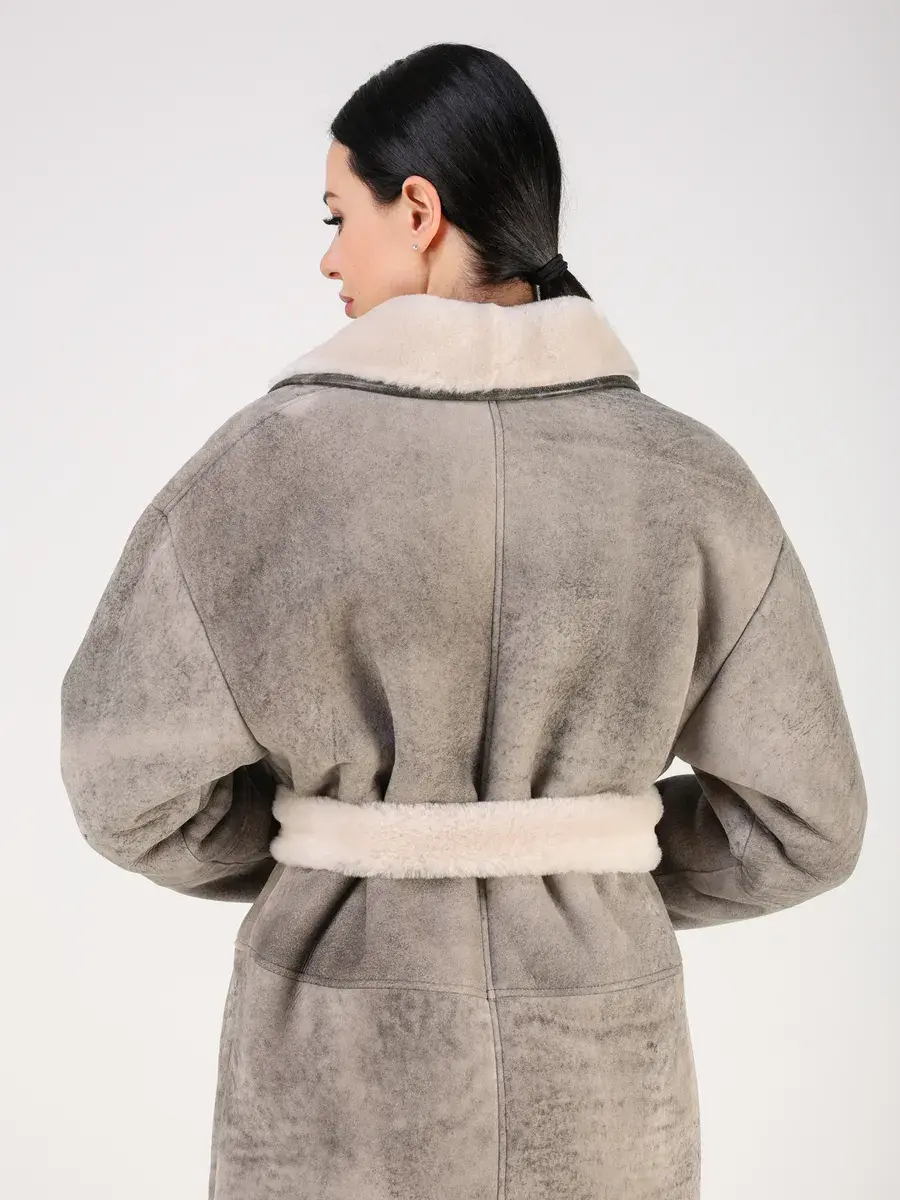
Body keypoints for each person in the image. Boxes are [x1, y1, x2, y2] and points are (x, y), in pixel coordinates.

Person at [59, 41, 867, 1200]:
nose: (328, 256)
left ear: (419, 210)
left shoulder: (262, 473)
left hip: (339, 1089)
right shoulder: (692, 479)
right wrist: (589, 861)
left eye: (338, 215)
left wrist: (330, 848)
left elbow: (121, 785)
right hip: (600, 1085)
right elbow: (808, 825)